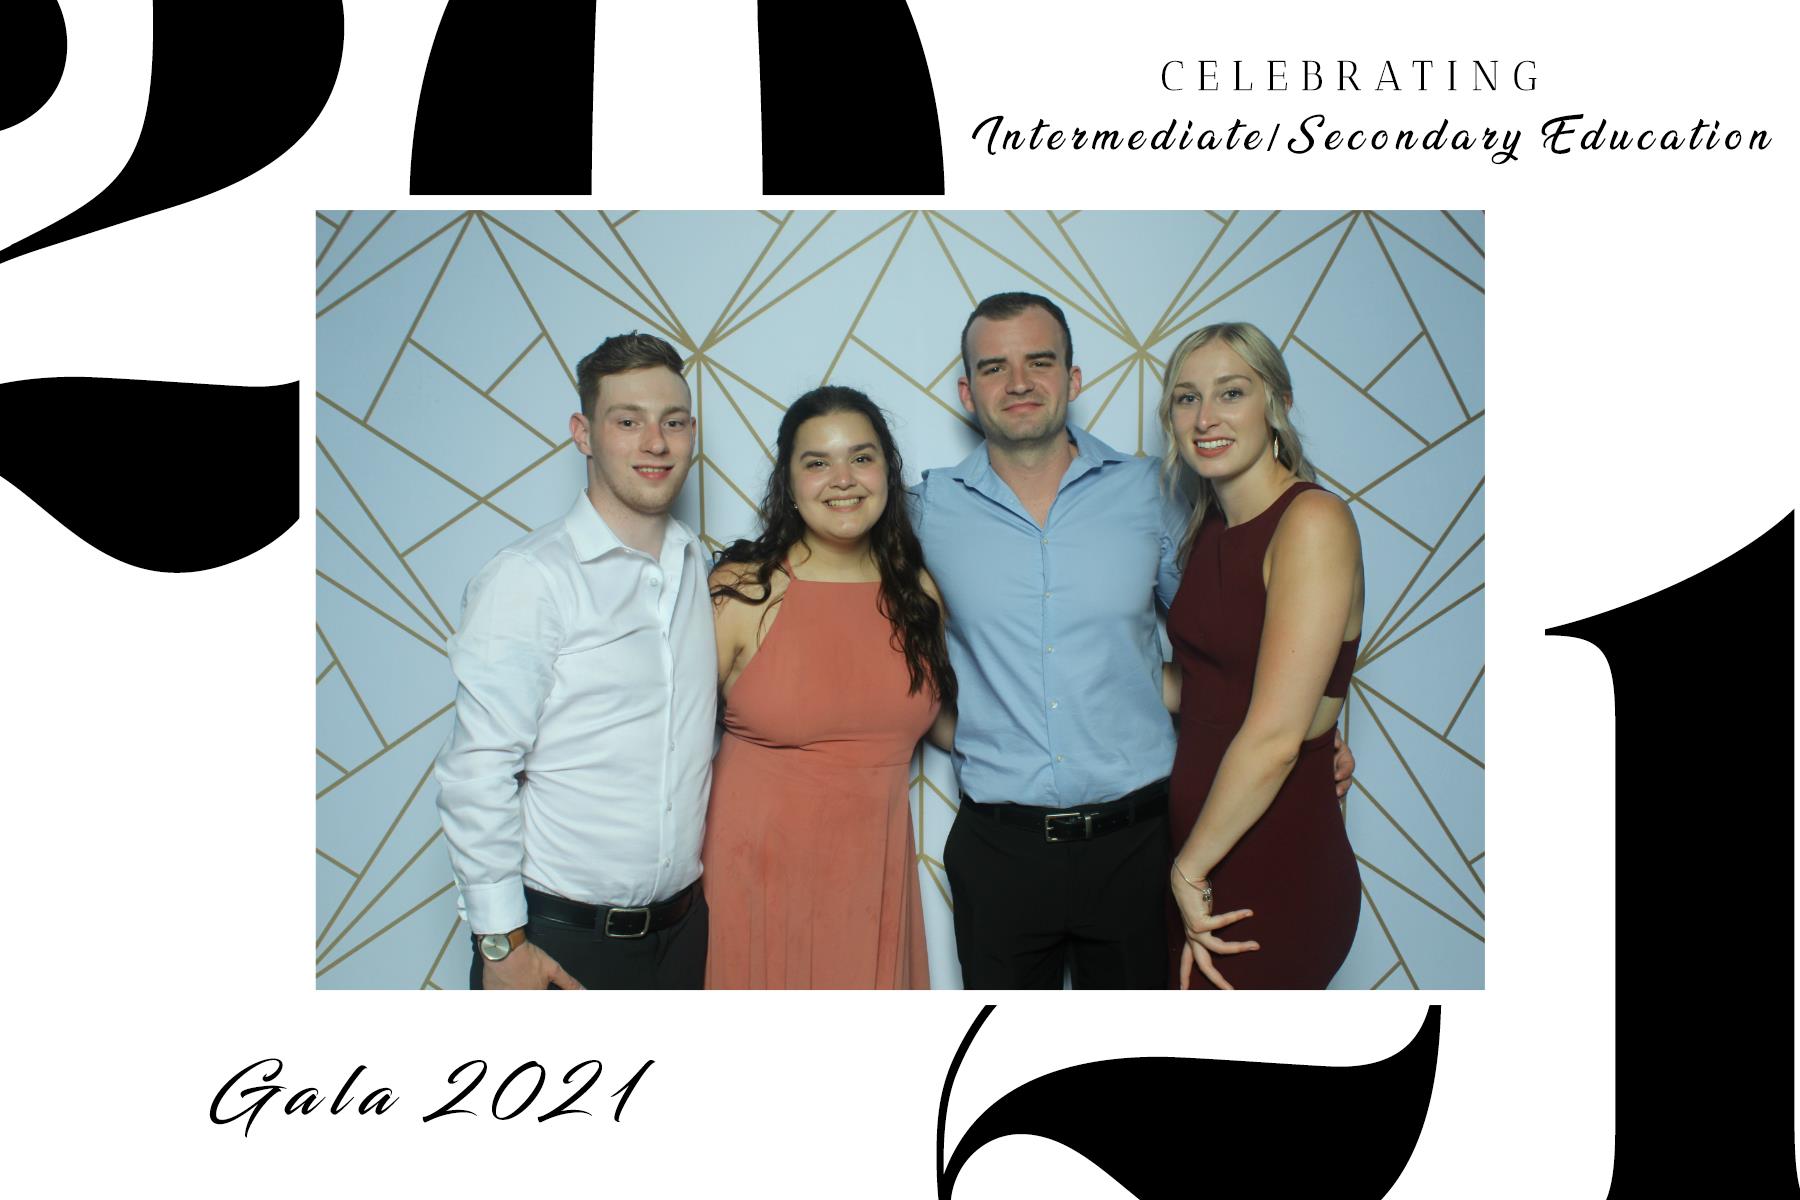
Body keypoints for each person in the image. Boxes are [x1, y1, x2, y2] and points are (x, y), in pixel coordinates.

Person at [914, 292, 1354, 989]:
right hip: (999, 850)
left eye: (1040, 361)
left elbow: (1243, 632)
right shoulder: (925, 509)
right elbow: (864, 635)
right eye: (994, 367)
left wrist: (1317, 722)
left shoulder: (1156, 494)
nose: (1019, 381)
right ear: (968, 392)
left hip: (1143, 844)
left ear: (1073, 379)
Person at [434, 332, 714, 990]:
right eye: (628, 422)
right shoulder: (530, 578)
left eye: (673, 422)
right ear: (583, 434)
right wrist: (501, 946)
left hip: (684, 937)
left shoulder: (700, 567)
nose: (656, 443)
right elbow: (477, 770)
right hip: (558, 943)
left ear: (691, 433)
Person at [704, 386, 955, 988]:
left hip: (873, 880)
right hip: (754, 881)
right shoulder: (743, 591)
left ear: (887, 472)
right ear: (789, 484)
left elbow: (950, 728)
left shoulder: (917, 592)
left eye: (861, 458)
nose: (843, 479)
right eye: (817, 462)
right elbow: (664, 741)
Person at [1159, 322, 1364, 990]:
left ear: (1278, 402)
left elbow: (1276, 737)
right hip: (1206, 855)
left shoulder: (1312, 522)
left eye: (1231, 392)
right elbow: (1207, 690)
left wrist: (1188, 871)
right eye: (1186, 398)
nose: (1206, 418)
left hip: (1272, 863)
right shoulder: (1210, 528)